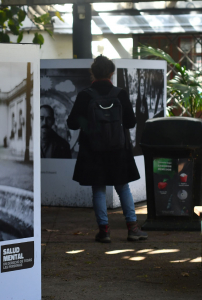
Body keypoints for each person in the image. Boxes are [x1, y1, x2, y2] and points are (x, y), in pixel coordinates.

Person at [67, 55, 148, 243]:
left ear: (92, 73)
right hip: (118, 150)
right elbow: (131, 122)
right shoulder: (120, 94)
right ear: (112, 72)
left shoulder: (85, 95)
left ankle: (104, 232)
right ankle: (133, 229)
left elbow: (72, 124)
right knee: (123, 188)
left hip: (92, 151)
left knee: (98, 189)